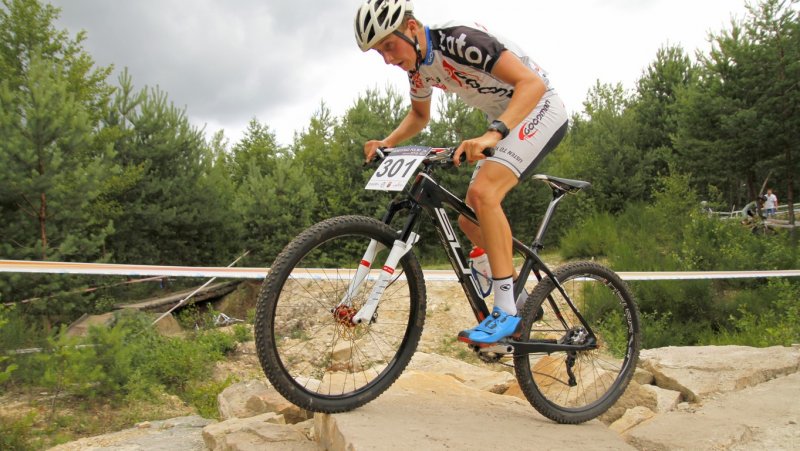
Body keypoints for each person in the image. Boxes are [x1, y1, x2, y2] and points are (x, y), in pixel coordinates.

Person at [354, 0, 569, 345]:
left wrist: (493, 133)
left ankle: (506, 311)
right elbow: (420, 116)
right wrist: (387, 141)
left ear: (411, 28)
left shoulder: (458, 40)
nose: (388, 59)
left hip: (538, 106)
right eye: (379, 53)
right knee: (469, 220)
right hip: (504, 118)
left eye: (389, 46)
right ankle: (517, 293)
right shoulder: (417, 67)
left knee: (485, 195)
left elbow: (531, 84)